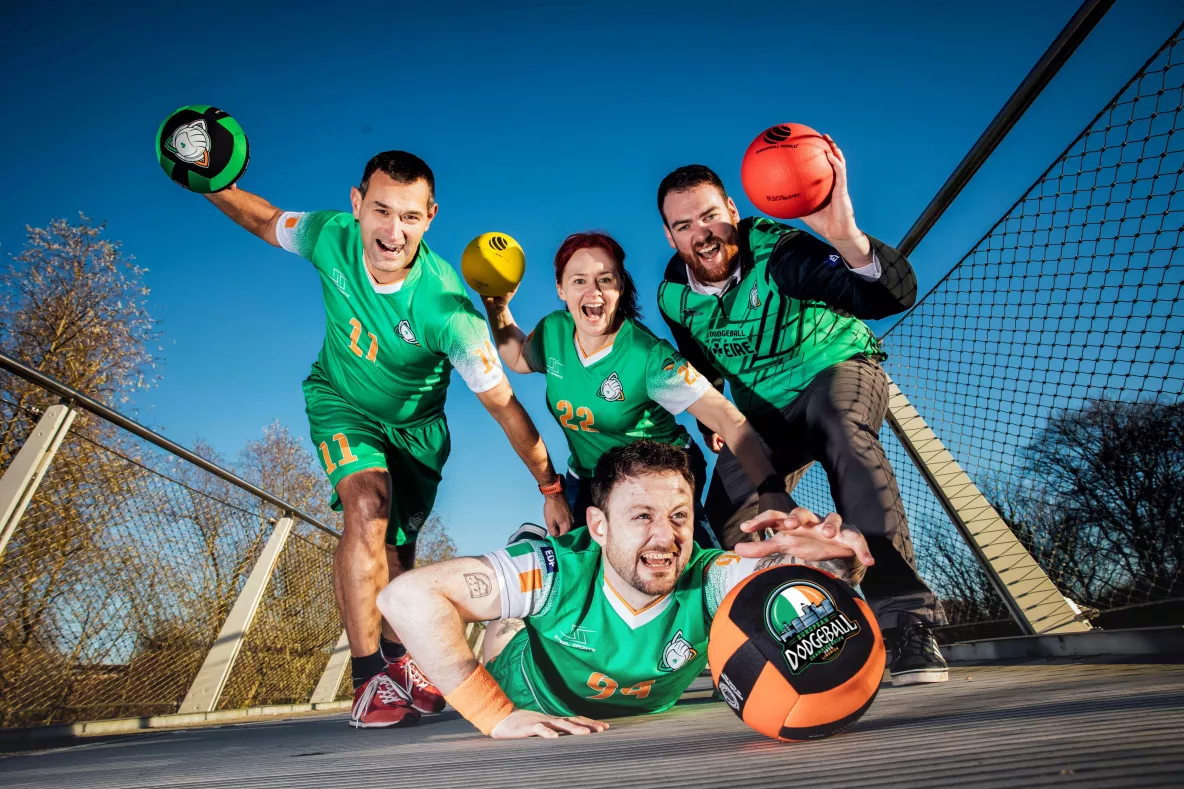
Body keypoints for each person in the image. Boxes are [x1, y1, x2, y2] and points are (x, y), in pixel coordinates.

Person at [199, 150, 573, 728]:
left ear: (429, 218)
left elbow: (505, 409)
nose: (392, 231)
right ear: (357, 204)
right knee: (367, 507)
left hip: (417, 432)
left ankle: (403, 662)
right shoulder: (328, 234)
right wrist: (208, 182)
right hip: (340, 402)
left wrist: (549, 485)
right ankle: (368, 674)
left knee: (399, 554)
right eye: (380, 211)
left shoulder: (450, 312)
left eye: (409, 216)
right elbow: (262, 217)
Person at [653, 139, 947, 686]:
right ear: (670, 236)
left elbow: (889, 296)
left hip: (833, 369)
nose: (704, 233)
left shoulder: (778, 251)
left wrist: (846, 240)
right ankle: (813, 609)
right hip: (764, 416)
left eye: (712, 216)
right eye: (686, 224)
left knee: (842, 429)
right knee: (729, 512)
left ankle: (906, 618)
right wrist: (708, 421)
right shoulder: (674, 295)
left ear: (733, 214)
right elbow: (701, 366)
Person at [376, 439, 873, 738]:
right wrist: (495, 716)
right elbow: (405, 597)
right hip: (532, 688)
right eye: (641, 517)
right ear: (598, 526)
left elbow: (782, 593)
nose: (666, 536)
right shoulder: (559, 568)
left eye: (679, 516)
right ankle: (520, 559)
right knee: (505, 625)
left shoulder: (709, 574)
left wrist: (830, 565)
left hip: (632, 706)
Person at [481, 231, 792, 547]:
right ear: (561, 288)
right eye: (579, 281)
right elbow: (519, 358)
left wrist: (770, 490)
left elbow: (728, 418)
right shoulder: (554, 331)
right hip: (590, 475)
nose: (594, 292)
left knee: (673, 559)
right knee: (581, 563)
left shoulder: (648, 358)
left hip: (661, 470)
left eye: (605, 279)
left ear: (620, 286)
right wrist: (496, 307)